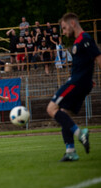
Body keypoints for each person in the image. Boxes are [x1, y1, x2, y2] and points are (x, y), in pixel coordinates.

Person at [47, 13, 101, 161]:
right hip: (82, 82)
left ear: (72, 23)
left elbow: (98, 58)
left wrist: (85, 80)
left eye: (64, 28)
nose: (63, 32)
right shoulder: (79, 41)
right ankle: (70, 151)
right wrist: (89, 80)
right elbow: (87, 63)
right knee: (64, 113)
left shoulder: (85, 39)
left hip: (76, 82)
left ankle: (80, 134)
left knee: (51, 109)